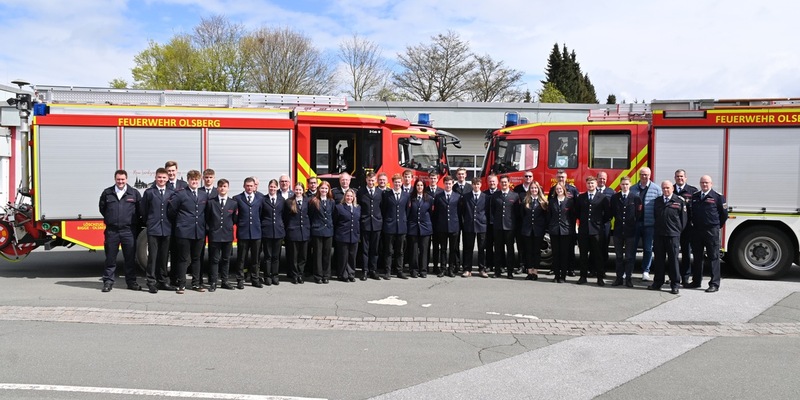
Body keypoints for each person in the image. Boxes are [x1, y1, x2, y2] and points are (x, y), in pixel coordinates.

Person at [99, 169, 142, 292]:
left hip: (128, 231)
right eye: (118, 179)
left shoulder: (134, 193)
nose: (120, 181)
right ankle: (108, 282)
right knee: (110, 258)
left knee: (130, 258)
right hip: (112, 231)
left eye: (122, 179)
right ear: (115, 179)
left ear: (126, 179)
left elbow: (139, 210)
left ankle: (131, 282)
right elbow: (102, 208)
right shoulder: (107, 193)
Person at [167, 169, 208, 293]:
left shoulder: (203, 195)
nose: (194, 182)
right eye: (192, 179)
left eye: (196, 179)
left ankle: (196, 283)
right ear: (188, 180)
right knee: (183, 259)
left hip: (199, 231)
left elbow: (205, 212)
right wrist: (181, 222)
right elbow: (171, 211)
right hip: (184, 232)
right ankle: (181, 284)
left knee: (196, 259)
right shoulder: (180, 194)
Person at [687, 175, 728, 293]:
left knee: (713, 257)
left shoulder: (718, 197)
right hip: (697, 231)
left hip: (711, 231)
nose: (704, 185)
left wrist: (716, 226)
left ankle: (714, 283)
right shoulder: (695, 196)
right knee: (697, 257)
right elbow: (691, 212)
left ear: (711, 184)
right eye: (702, 183)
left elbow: (724, 214)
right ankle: (696, 281)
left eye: (707, 183)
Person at [139, 168, 174, 293]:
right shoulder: (149, 192)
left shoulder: (171, 192)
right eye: (159, 177)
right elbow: (143, 210)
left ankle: (163, 281)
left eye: (164, 178)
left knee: (164, 257)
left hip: (167, 228)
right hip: (153, 228)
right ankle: (151, 282)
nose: (162, 180)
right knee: (152, 257)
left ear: (167, 179)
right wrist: (149, 221)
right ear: (156, 178)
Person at [649, 180, 687, 295]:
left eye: (668, 188)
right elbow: (656, 216)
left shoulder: (679, 201)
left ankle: (675, 284)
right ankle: (658, 282)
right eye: (664, 188)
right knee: (659, 260)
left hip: (673, 235)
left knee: (673, 261)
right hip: (659, 235)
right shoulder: (658, 201)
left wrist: (677, 231)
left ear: (672, 189)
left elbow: (684, 220)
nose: (666, 190)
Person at [574, 176, 611, 286]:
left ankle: (599, 277)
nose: (590, 185)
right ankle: (583, 276)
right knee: (583, 255)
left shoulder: (603, 197)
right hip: (584, 230)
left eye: (592, 183)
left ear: (596, 184)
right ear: (586, 185)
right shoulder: (581, 197)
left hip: (596, 231)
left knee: (598, 255)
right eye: (589, 183)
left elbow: (607, 215)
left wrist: (598, 223)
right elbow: (577, 213)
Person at [630, 167, 662, 281]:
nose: (644, 177)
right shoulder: (633, 188)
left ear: (650, 175)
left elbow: (660, 207)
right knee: (631, 249)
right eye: (642, 174)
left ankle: (645, 271)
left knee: (648, 249)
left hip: (650, 224)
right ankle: (629, 271)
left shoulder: (657, 189)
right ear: (639, 175)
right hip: (635, 223)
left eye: (646, 175)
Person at [205, 178, 237, 292]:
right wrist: (211, 230)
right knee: (214, 260)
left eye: (225, 186)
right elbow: (207, 218)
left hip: (227, 236)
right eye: (220, 186)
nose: (222, 188)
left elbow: (234, 219)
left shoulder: (233, 203)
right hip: (215, 235)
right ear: (217, 188)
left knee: (226, 259)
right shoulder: (211, 202)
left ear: (228, 188)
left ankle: (224, 281)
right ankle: (213, 282)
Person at [610, 176, 642, 288]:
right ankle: (619, 278)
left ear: (630, 185)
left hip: (630, 231)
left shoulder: (635, 198)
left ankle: (628, 279)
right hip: (618, 231)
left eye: (627, 184)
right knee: (618, 256)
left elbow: (638, 215)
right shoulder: (615, 197)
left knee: (629, 257)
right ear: (620, 185)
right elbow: (612, 212)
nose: (625, 186)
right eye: (623, 184)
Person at [233, 177, 264, 289]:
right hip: (243, 233)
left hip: (256, 233)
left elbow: (261, 214)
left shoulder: (260, 198)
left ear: (254, 186)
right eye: (247, 186)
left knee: (256, 259)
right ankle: (240, 280)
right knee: (241, 258)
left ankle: (255, 279)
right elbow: (235, 216)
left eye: (251, 186)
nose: (249, 188)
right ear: (244, 186)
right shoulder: (237, 198)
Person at [548, 169, 579, 277]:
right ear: (556, 178)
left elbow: (575, 208)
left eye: (563, 177)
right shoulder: (553, 189)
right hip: (556, 225)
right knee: (556, 251)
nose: (561, 179)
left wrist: (572, 224)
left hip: (568, 225)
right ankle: (555, 269)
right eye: (559, 177)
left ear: (566, 178)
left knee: (569, 249)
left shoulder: (573, 190)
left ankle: (570, 269)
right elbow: (550, 209)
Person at [490, 175, 519, 279]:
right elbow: (492, 210)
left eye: (505, 182)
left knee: (510, 250)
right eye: (502, 182)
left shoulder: (515, 196)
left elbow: (516, 213)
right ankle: (497, 271)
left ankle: (510, 272)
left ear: (509, 183)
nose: (503, 184)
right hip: (498, 227)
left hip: (510, 227)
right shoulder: (495, 195)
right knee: (498, 250)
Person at [381, 173, 410, 279]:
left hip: (401, 226)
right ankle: (387, 271)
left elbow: (407, 210)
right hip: (389, 226)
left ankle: (399, 271)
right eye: (395, 182)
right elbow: (384, 209)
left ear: (401, 183)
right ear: (392, 183)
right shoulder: (387, 194)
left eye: (399, 182)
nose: (397, 184)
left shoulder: (406, 195)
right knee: (388, 251)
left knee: (400, 251)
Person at [432, 176, 461, 277]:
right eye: (446, 184)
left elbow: (460, 212)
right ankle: (443, 268)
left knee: (452, 249)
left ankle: (451, 269)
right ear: (443, 184)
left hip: (454, 226)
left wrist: (458, 225)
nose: (448, 185)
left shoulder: (457, 196)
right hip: (442, 227)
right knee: (443, 249)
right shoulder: (438, 196)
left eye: (450, 184)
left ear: (452, 184)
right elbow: (436, 212)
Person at [520, 180, 548, 281]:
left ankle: (535, 271)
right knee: (528, 251)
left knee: (536, 252)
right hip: (527, 230)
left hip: (538, 230)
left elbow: (546, 217)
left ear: (538, 189)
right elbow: (522, 216)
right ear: (529, 190)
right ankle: (529, 271)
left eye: (535, 188)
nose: (534, 190)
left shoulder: (543, 202)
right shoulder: (525, 201)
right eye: (532, 188)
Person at [674, 169, 698, 284]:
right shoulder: (670, 190)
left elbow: (696, 210)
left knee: (686, 253)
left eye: (682, 176)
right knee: (673, 253)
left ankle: (685, 277)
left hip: (687, 228)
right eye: (678, 176)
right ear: (675, 178)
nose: (680, 178)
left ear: (686, 178)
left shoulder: (692, 191)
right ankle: (674, 276)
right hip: (673, 228)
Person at [460, 177, 488, 278]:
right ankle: (467, 269)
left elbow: (487, 211)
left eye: (478, 184)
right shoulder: (466, 196)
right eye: (474, 184)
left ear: (480, 185)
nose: (476, 186)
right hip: (469, 225)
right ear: (471, 185)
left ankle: (482, 269)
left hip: (481, 225)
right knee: (468, 248)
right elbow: (462, 211)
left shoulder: (485, 197)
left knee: (481, 248)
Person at [284, 182, 311, 284]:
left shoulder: (307, 201)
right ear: (294, 190)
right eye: (297, 190)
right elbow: (285, 217)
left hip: (304, 232)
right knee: (293, 256)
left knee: (303, 256)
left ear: (303, 191)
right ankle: (294, 275)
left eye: (300, 190)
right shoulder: (288, 202)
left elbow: (310, 216)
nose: (298, 191)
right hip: (293, 232)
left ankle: (300, 274)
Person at [260, 179, 285, 286]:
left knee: (276, 256)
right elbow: (260, 215)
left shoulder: (281, 199)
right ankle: (267, 276)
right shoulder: (263, 199)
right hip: (267, 231)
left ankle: (275, 275)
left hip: (278, 231)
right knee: (268, 256)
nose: (272, 189)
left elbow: (284, 215)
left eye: (274, 187)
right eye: (271, 187)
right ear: (268, 187)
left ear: (277, 188)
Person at [358, 172, 382, 280]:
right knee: (365, 249)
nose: (371, 182)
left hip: (376, 224)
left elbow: (383, 207)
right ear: (366, 180)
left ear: (375, 181)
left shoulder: (380, 192)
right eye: (369, 180)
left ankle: (373, 270)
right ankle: (365, 271)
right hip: (365, 224)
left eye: (373, 180)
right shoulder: (361, 192)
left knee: (375, 249)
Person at [406, 179, 433, 278]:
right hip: (413, 227)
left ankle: (423, 270)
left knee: (424, 250)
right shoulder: (410, 198)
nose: (419, 187)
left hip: (425, 228)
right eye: (418, 185)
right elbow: (408, 212)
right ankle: (413, 270)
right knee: (413, 250)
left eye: (421, 185)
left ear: (424, 187)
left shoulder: (429, 198)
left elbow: (431, 213)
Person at [309, 181, 335, 283]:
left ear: (328, 190)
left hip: (328, 231)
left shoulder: (331, 202)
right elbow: (311, 216)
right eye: (322, 188)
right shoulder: (314, 201)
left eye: (326, 189)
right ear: (319, 189)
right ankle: (318, 276)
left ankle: (326, 275)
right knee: (317, 254)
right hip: (317, 231)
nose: (324, 190)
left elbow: (333, 215)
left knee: (327, 254)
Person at [334, 189, 361, 282]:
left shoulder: (358, 207)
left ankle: (351, 274)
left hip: (354, 235)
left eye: (351, 196)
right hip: (342, 236)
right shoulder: (339, 207)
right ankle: (343, 274)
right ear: (344, 197)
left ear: (354, 197)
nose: (349, 198)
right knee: (343, 257)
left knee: (352, 257)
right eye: (347, 196)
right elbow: (335, 221)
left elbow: (358, 222)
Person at [199, 168, 218, 286]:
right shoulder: (199, 191)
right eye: (206, 177)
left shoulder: (218, 192)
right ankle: (199, 279)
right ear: (203, 178)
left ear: (214, 178)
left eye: (210, 177)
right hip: (200, 226)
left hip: (213, 227)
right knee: (199, 255)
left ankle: (212, 280)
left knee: (213, 255)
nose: (208, 180)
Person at [596, 171, 616, 270]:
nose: (602, 180)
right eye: (600, 178)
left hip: (605, 223)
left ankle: (602, 269)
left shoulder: (611, 192)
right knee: (594, 246)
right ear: (597, 179)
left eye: (604, 178)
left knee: (604, 246)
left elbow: (614, 207)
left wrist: (608, 217)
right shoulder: (592, 190)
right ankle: (593, 269)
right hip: (594, 224)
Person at [484, 174, 499, 273]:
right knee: (488, 246)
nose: (492, 183)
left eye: (494, 181)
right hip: (487, 224)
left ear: (497, 182)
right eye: (490, 181)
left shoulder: (500, 193)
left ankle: (500, 265)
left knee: (499, 246)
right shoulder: (484, 194)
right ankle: (489, 265)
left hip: (498, 224)